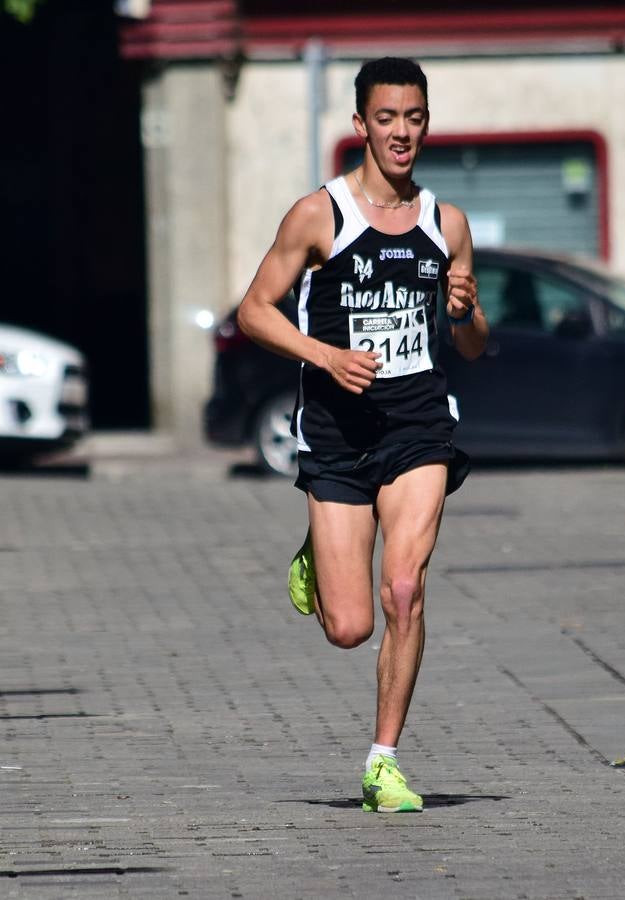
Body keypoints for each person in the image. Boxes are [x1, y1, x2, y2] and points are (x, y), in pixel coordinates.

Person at [237, 57, 488, 810]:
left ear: (426, 123)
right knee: (348, 627)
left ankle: (384, 761)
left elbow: (474, 345)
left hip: (418, 427)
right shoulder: (319, 214)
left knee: (404, 590)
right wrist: (325, 356)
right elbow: (253, 309)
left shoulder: (446, 224)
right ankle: (317, 549)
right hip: (336, 432)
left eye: (413, 117)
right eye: (386, 119)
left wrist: (467, 311)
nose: (401, 132)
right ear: (361, 126)